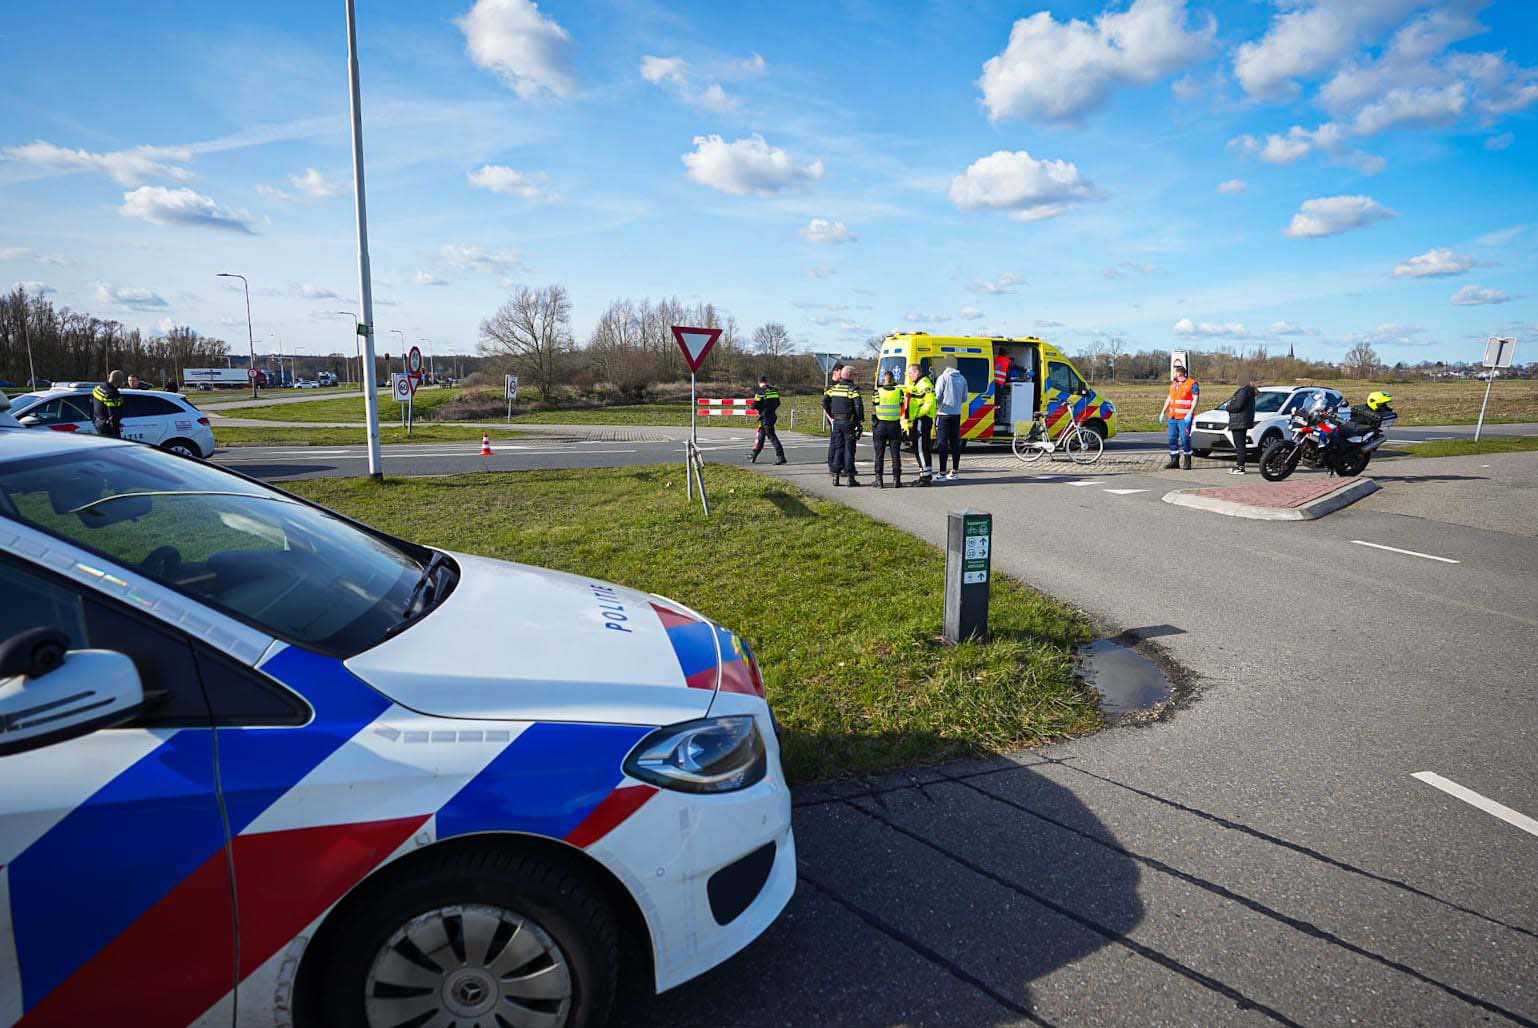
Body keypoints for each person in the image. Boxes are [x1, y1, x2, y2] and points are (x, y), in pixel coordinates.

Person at [823, 366, 864, 486]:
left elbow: (825, 401)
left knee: (838, 448)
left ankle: (835, 476)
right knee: (849, 450)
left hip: (837, 422)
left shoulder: (833, 388)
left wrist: (831, 413)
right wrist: (859, 419)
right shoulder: (852, 390)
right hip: (848, 422)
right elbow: (858, 406)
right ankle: (851, 478)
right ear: (850, 376)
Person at [1159, 364, 1200, 470]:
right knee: (1172, 438)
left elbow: (1195, 399)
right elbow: (1169, 398)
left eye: (1175, 372)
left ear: (1180, 373)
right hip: (1172, 417)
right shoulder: (1174, 384)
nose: (1174, 374)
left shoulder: (1192, 384)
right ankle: (1174, 460)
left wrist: (1190, 413)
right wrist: (1163, 412)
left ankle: (1187, 460)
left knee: (1185, 439)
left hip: (1184, 417)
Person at [933, 362, 967, 481]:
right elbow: (964, 398)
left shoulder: (942, 378)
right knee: (954, 443)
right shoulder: (962, 378)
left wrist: (937, 405)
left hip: (943, 414)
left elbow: (937, 396)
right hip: (956, 414)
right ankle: (955, 471)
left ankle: (942, 473)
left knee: (942, 443)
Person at [871, 371, 905, 488]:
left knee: (879, 454)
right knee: (895, 454)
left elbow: (874, 407)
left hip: (881, 425)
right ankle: (897, 479)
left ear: (883, 379)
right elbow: (902, 405)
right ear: (893, 379)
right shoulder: (899, 392)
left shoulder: (877, 392)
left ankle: (879, 480)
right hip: (894, 425)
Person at [905, 363, 936, 485]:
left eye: (910, 373)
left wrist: (918, 414)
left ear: (916, 372)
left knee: (921, 448)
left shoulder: (924, 383)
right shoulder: (918, 383)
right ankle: (924, 474)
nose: (909, 376)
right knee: (920, 448)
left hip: (923, 419)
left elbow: (930, 402)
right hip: (920, 419)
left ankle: (925, 477)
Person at [749, 375, 786, 464]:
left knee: (772, 437)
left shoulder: (760, 392)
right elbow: (778, 403)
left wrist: (758, 407)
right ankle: (754, 455)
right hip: (772, 415)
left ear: (759, 382)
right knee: (761, 435)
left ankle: (781, 457)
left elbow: (754, 405)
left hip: (765, 417)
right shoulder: (774, 390)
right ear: (767, 381)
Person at [1225, 379, 1257, 475]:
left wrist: (1228, 407)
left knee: (1240, 446)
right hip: (1242, 421)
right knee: (1240, 445)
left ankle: (1240, 467)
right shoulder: (1248, 391)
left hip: (1239, 422)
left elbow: (1238, 406)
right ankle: (1239, 465)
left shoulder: (1243, 391)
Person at [91, 370, 126, 439]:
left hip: (98, 422)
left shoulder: (98, 388)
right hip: (108, 428)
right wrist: (115, 429)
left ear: (109, 377)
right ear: (119, 382)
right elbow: (113, 415)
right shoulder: (112, 394)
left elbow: (91, 404)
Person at [825, 362, 846, 474]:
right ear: (836, 371)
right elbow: (825, 404)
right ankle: (832, 466)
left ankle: (839, 466)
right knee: (834, 443)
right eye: (841, 372)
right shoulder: (830, 386)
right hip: (834, 418)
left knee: (840, 443)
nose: (842, 375)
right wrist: (830, 418)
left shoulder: (841, 384)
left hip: (840, 418)